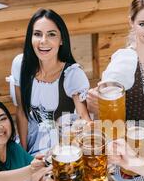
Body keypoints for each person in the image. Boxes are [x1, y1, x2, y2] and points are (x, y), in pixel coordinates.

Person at [88, 0, 144, 146]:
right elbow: (101, 109)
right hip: (131, 144)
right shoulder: (126, 61)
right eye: (143, 24)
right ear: (131, 22)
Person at [8, 8, 91, 155]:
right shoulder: (20, 64)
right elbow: (21, 111)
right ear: (30, 38)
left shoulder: (72, 74)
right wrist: (24, 154)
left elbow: (85, 119)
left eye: (51, 34)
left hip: (63, 144)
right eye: (37, 34)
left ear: (61, 40)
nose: (43, 41)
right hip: (31, 139)